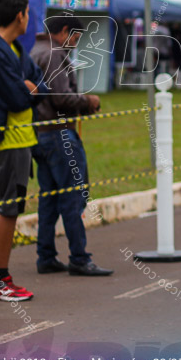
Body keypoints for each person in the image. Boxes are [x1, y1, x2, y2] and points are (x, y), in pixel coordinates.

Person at [0, 0, 43, 302]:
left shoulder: (13, 48)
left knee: (10, 206)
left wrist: (27, 87)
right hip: (7, 140)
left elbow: (36, 79)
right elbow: (18, 96)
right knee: (9, 208)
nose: (29, 18)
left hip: (22, 137)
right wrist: (26, 88)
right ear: (20, 16)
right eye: (28, 13)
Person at [30, 16, 113, 277]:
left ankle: (46, 256)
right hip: (59, 134)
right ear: (64, 31)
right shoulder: (54, 54)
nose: (75, 44)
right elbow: (61, 97)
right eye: (75, 38)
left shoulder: (36, 51)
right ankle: (79, 257)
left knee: (49, 198)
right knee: (72, 197)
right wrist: (88, 101)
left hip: (40, 134)